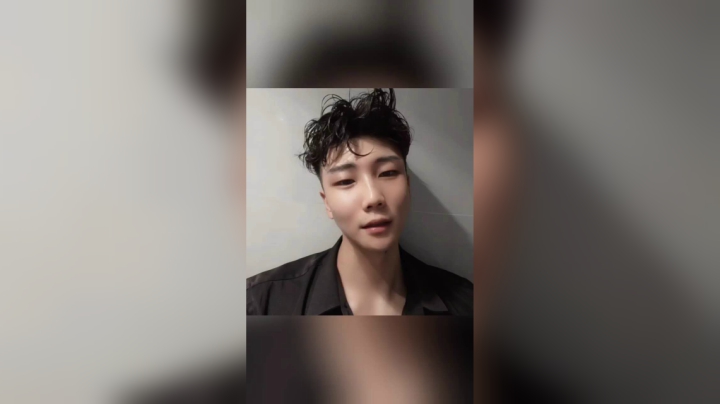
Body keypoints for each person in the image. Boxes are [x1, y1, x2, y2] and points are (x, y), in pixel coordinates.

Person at [246, 88, 473, 316]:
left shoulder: (466, 304)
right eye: (346, 181)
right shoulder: (260, 303)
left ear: (408, 186)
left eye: (388, 173)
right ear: (327, 203)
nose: (373, 198)